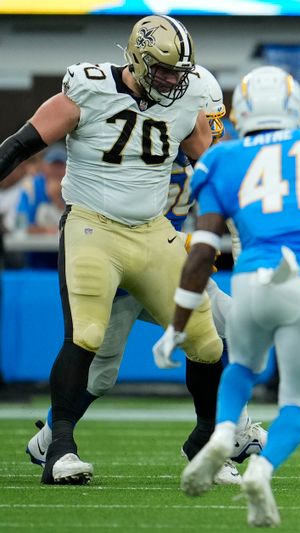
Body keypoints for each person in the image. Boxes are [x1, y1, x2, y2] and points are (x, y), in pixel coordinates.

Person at [0, 15, 223, 485]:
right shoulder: (89, 87)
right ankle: (59, 448)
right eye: (163, 70)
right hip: (92, 226)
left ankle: (205, 444)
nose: (173, 79)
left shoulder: (189, 100)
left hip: (152, 231)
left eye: (180, 71)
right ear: (138, 61)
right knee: (88, 334)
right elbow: (21, 146)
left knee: (206, 342)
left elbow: (217, 168)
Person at [153, 66, 300, 527]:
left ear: (241, 111)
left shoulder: (223, 159)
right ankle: (262, 469)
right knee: (295, 402)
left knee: (239, 370)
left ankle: (221, 436)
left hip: (251, 281)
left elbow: (202, 254)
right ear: (296, 106)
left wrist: (176, 326)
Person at [23, 66, 266, 485]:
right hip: (116, 263)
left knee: (221, 327)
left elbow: (224, 206)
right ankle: (52, 438)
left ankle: (228, 432)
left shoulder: (194, 152)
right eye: (208, 120)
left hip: (163, 261)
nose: (213, 129)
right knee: (99, 370)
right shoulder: (151, 142)